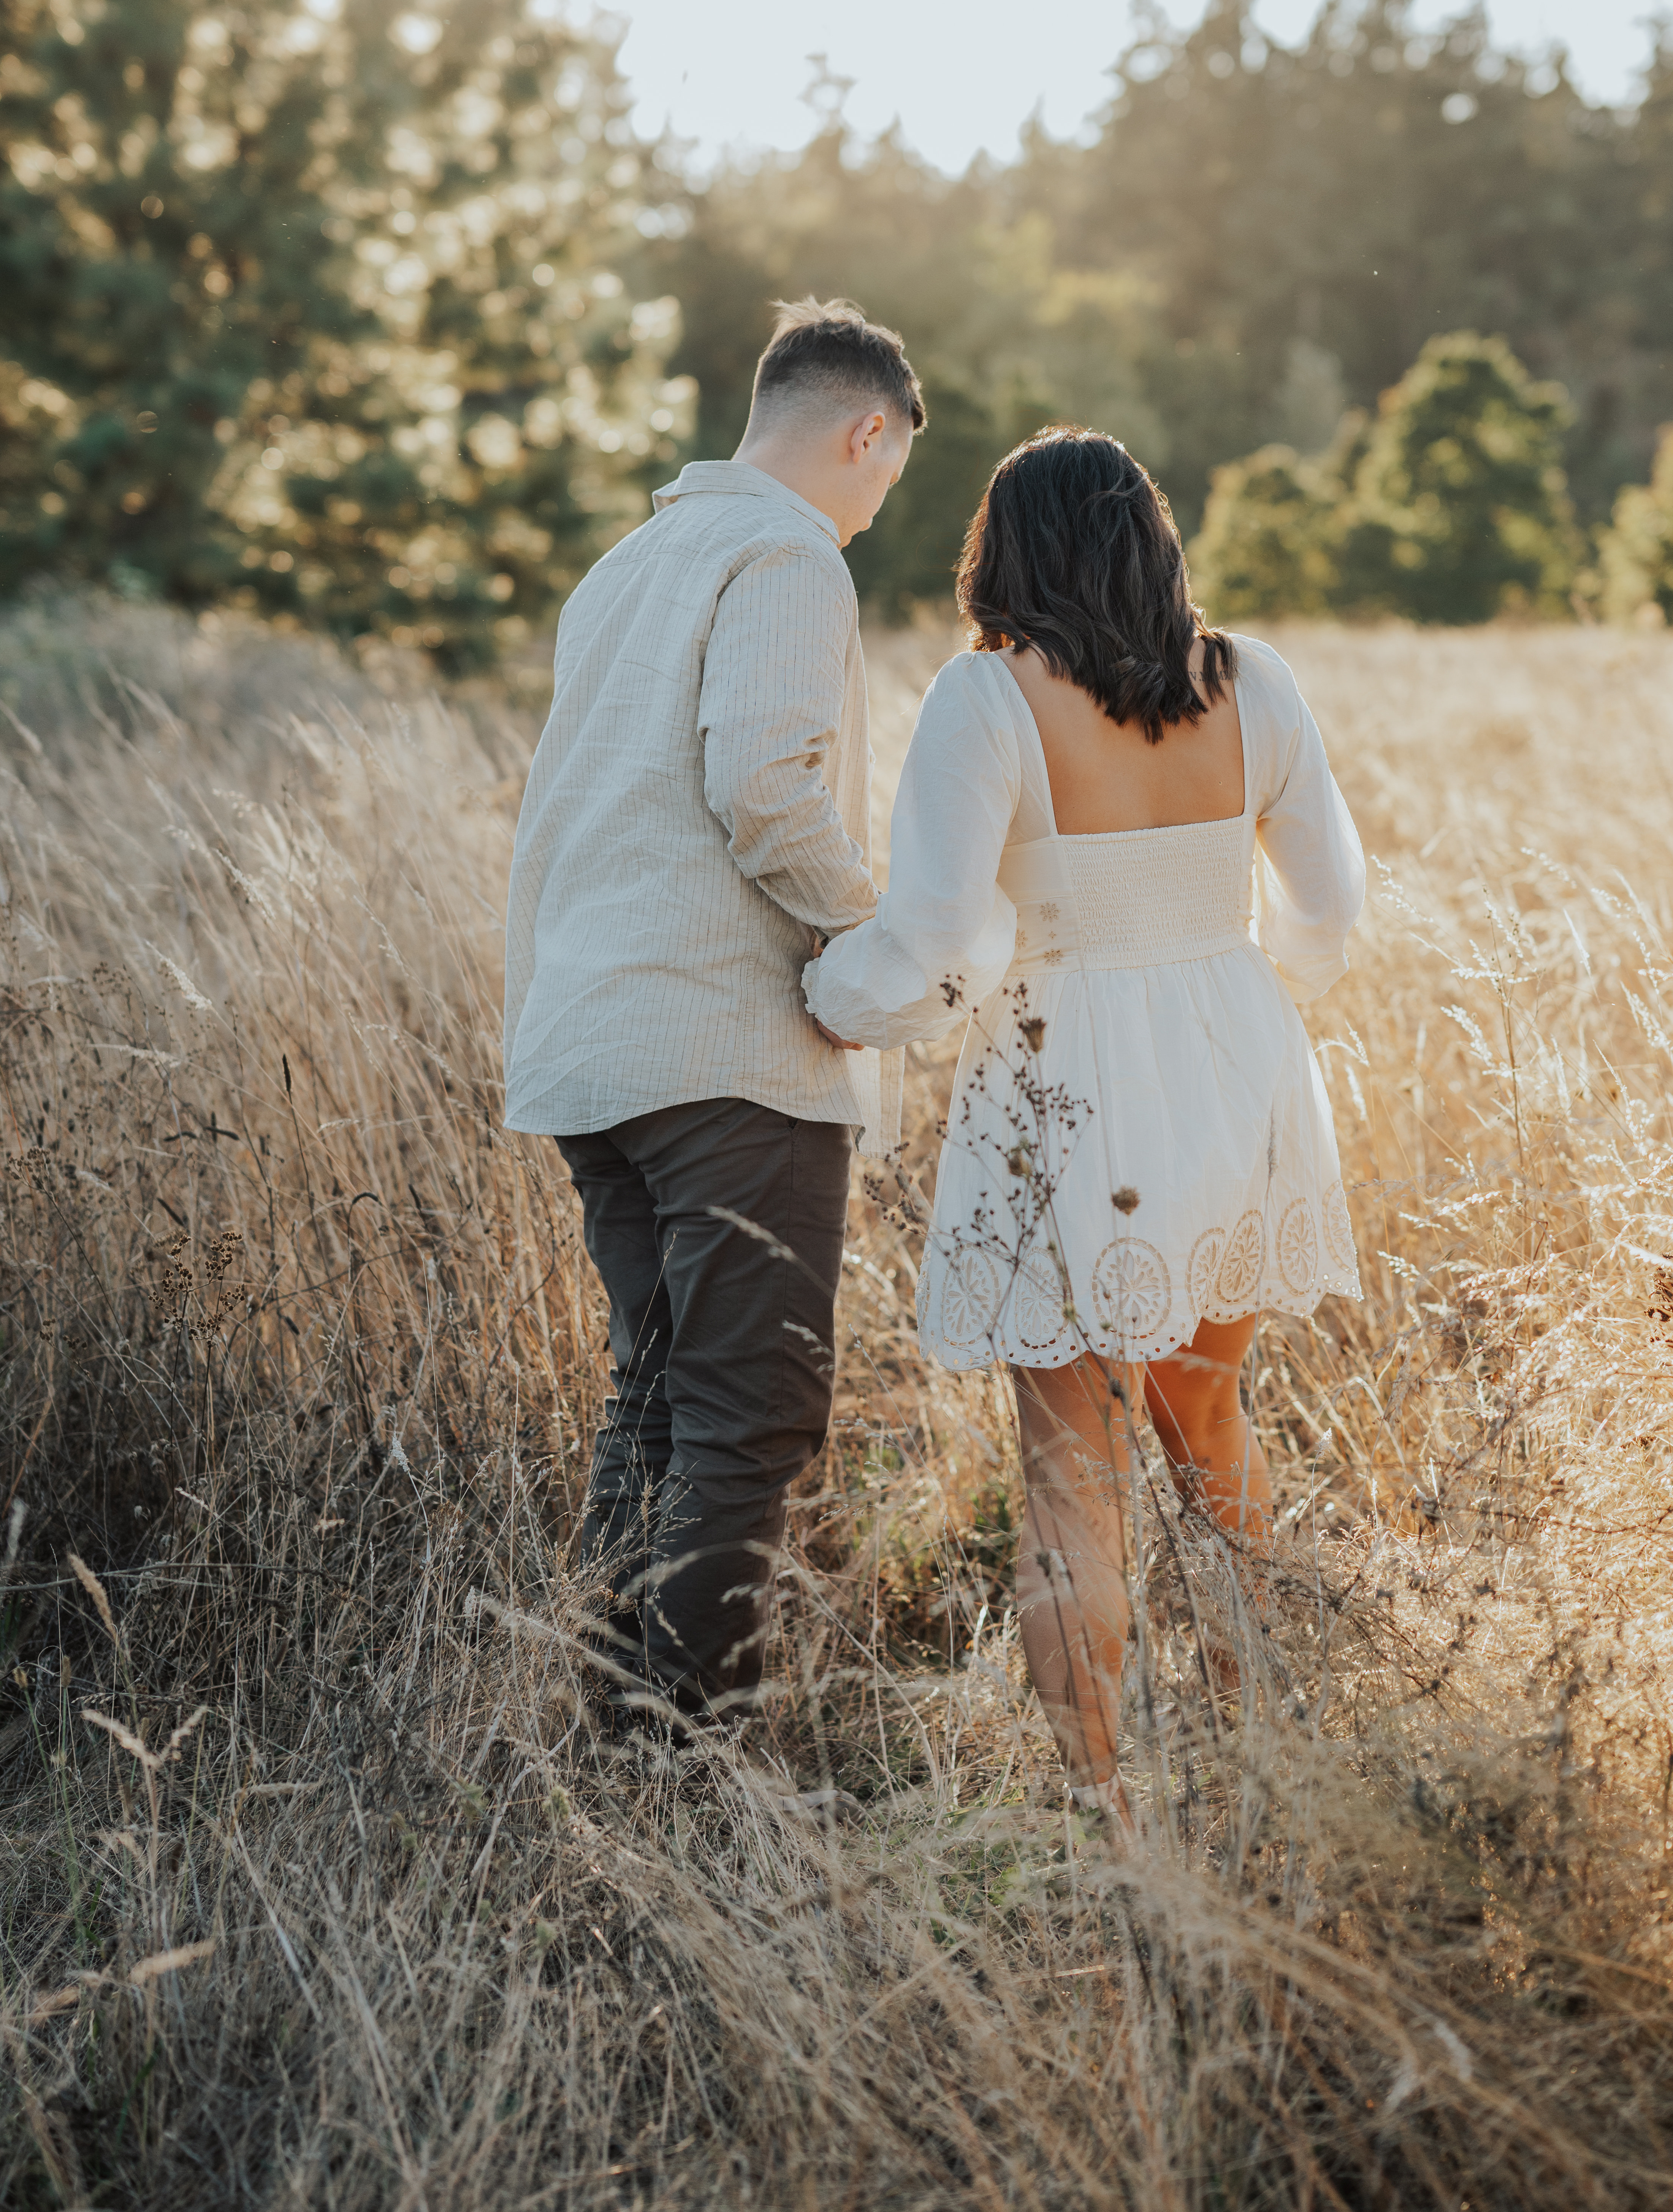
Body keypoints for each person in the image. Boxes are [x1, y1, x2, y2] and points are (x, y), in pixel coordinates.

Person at [805, 427, 1364, 1816]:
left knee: (1072, 1472)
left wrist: (832, 999)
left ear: (1006, 550)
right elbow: (1332, 912)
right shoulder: (1254, 681)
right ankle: (1261, 1763)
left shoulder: (985, 699)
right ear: (1155, 541)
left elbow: (935, 938)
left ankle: (1106, 1811)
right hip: (1240, 1061)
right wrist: (1236, 993)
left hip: (1069, 1078)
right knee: (1213, 1418)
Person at [502, 296, 923, 1726]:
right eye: (888, 478)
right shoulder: (788, 555)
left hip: (592, 1045)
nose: (874, 514)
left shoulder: (624, 566)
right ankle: (690, 1760)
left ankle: (607, 1726)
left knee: (658, 1401)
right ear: (867, 431)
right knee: (749, 1424)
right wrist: (876, 946)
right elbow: (765, 785)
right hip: (726, 1056)